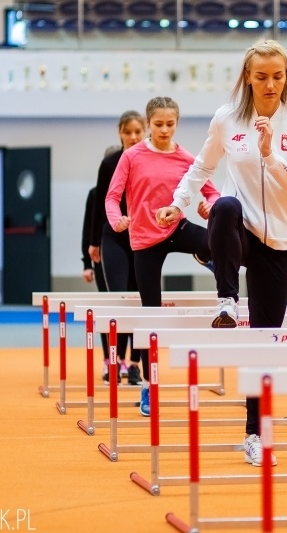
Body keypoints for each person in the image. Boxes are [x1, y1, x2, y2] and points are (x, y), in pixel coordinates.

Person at [155, 39, 287, 467]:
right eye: (261, 76)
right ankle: (227, 297)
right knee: (224, 205)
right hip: (241, 230)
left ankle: (255, 435)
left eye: (277, 76)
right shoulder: (228, 119)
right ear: (248, 77)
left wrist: (270, 157)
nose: (270, 84)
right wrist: (178, 202)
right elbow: (203, 167)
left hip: (279, 241)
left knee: (266, 345)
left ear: (286, 77)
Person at [106, 96, 220, 417]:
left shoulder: (186, 157)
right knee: (150, 316)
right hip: (143, 240)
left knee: (216, 241)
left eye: (170, 124)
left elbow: (213, 193)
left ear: (177, 124)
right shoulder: (131, 157)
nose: (164, 130)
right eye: (158, 125)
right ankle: (147, 386)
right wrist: (117, 220)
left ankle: (203, 254)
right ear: (148, 123)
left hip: (176, 227)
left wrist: (209, 205)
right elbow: (112, 197)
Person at [89, 112, 146, 386]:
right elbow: (98, 202)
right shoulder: (109, 163)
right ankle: (115, 360)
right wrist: (92, 242)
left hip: (144, 236)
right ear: (120, 133)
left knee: (141, 301)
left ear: (144, 131)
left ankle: (135, 364)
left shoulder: (150, 158)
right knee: (119, 300)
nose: (133, 137)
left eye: (138, 131)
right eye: (128, 132)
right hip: (114, 235)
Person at [80, 186, 110, 366]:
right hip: (100, 256)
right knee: (108, 307)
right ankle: (109, 359)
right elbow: (88, 227)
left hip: (132, 253)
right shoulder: (95, 193)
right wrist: (86, 263)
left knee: (133, 305)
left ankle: (131, 362)